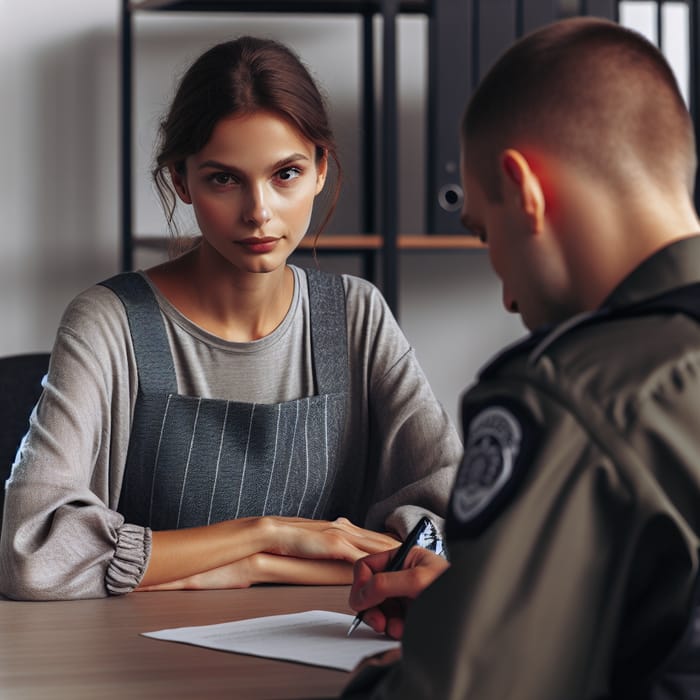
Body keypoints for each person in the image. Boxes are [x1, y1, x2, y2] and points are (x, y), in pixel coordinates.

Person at [0, 36, 462, 600]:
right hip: (135, 661)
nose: (259, 212)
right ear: (181, 180)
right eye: (224, 178)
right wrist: (262, 535)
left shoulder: (355, 314)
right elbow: (32, 554)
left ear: (320, 169)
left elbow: (449, 529)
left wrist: (257, 567)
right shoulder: (108, 322)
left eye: (285, 174)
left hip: (315, 653)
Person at [341, 17, 700, 699]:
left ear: (525, 190)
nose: (506, 297)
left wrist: (404, 669)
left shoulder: (573, 397)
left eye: (483, 232)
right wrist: (473, 602)